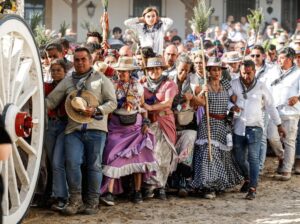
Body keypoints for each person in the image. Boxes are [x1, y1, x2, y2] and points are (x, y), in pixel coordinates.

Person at [46, 47, 117, 215]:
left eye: (83, 59)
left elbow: (112, 103)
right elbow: (51, 101)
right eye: (76, 60)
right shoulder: (68, 81)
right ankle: (75, 201)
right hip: (73, 129)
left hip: (96, 128)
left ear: (90, 60)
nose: (80, 62)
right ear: (73, 61)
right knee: (72, 163)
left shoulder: (101, 79)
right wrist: (31, 106)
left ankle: (92, 202)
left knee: (94, 166)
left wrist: (97, 110)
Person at [100, 56, 156, 206]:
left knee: (138, 157)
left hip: (135, 126)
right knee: (112, 155)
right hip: (117, 126)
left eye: (125, 71)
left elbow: (142, 107)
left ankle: (137, 192)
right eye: (119, 71)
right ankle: (109, 192)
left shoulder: (138, 87)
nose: (122, 74)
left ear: (130, 72)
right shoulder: (111, 86)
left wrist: (145, 121)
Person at [190, 57, 243, 199]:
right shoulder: (203, 86)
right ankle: (208, 185)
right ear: (209, 71)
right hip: (208, 122)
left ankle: (219, 183)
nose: (217, 72)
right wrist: (201, 93)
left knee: (221, 155)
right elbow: (196, 104)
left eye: (219, 69)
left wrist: (234, 106)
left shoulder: (226, 84)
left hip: (222, 124)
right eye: (214, 70)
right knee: (208, 152)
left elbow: (231, 101)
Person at [231, 60, 285, 200]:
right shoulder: (234, 84)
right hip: (238, 127)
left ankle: (253, 187)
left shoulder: (261, 86)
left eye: (249, 73)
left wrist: (279, 125)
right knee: (239, 158)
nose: (246, 76)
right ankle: (248, 177)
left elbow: (271, 106)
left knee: (253, 158)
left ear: (254, 71)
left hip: (255, 127)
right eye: (243, 73)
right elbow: (226, 99)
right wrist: (231, 105)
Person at [142, 56, 178, 200]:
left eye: (157, 68)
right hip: (149, 122)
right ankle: (149, 186)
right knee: (150, 154)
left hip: (165, 121)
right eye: (151, 69)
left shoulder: (169, 84)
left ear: (162, 69)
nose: (154, 71)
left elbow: (168, 103)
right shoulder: (142, 83)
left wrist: (150, 106)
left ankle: (161, 186)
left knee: (163, 155)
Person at [268, 47, 300, 181]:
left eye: (283, 58)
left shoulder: (298, 73)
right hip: (273, 110)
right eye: (279, 58)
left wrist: (298, 97)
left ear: (290, 59)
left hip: (290, 112)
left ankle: (286, 170)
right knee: (272, 137)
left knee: (289, 140)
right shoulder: (272, 72)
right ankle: (281, 156)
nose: (280, 60)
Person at [170, 54, 198, 197]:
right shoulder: (168, 82)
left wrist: (192, 97)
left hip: (187, 125)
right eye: (181, 70)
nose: (184, 74)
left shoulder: (192, 83)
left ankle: (183, 181)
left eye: (187, 71)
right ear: (176, 68)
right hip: (170, 124)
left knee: (188, 145)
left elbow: (201, 102)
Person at [44, 59, 69, 211]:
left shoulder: (69, 86)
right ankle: (54, 193)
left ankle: (62, 196)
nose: (55, 73)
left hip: (64, 125)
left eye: (59, 70)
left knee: (58, 161)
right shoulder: (46, 87)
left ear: (65, 71)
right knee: (51, 162)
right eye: (53, 70)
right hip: (50, 125)